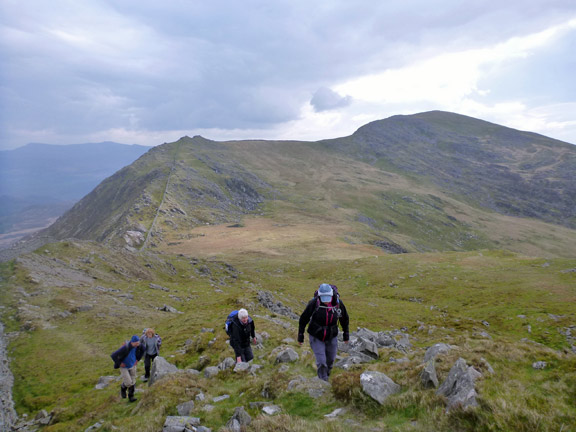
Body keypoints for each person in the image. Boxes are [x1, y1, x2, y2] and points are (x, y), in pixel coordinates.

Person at [298, 283, 349, 381]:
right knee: (321, 361)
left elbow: (345, 319)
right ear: (319, 296)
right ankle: (323, 381)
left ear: (331, 295)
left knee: (330, 360)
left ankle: (327, 374)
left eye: (327, 298)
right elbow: (303, 319)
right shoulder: (314, 303)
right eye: (323, 298)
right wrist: (300, 336)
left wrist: (346, 335)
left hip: (331, 335)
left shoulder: (338, 304)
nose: (326, 301)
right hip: (316, 336)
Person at [111, 335, 145, 402]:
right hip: (124, 367)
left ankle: (131, 397)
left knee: (133, 381)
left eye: (138, 342)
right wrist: (119, 363)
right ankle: (123, 387)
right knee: (128, 383)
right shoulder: (125, 347)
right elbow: (113, 355)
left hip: (133, 365)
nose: (138, 344)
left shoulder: (139, 346)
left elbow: (143, 349)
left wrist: (137, 360)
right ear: (132, 342)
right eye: (136, 343)